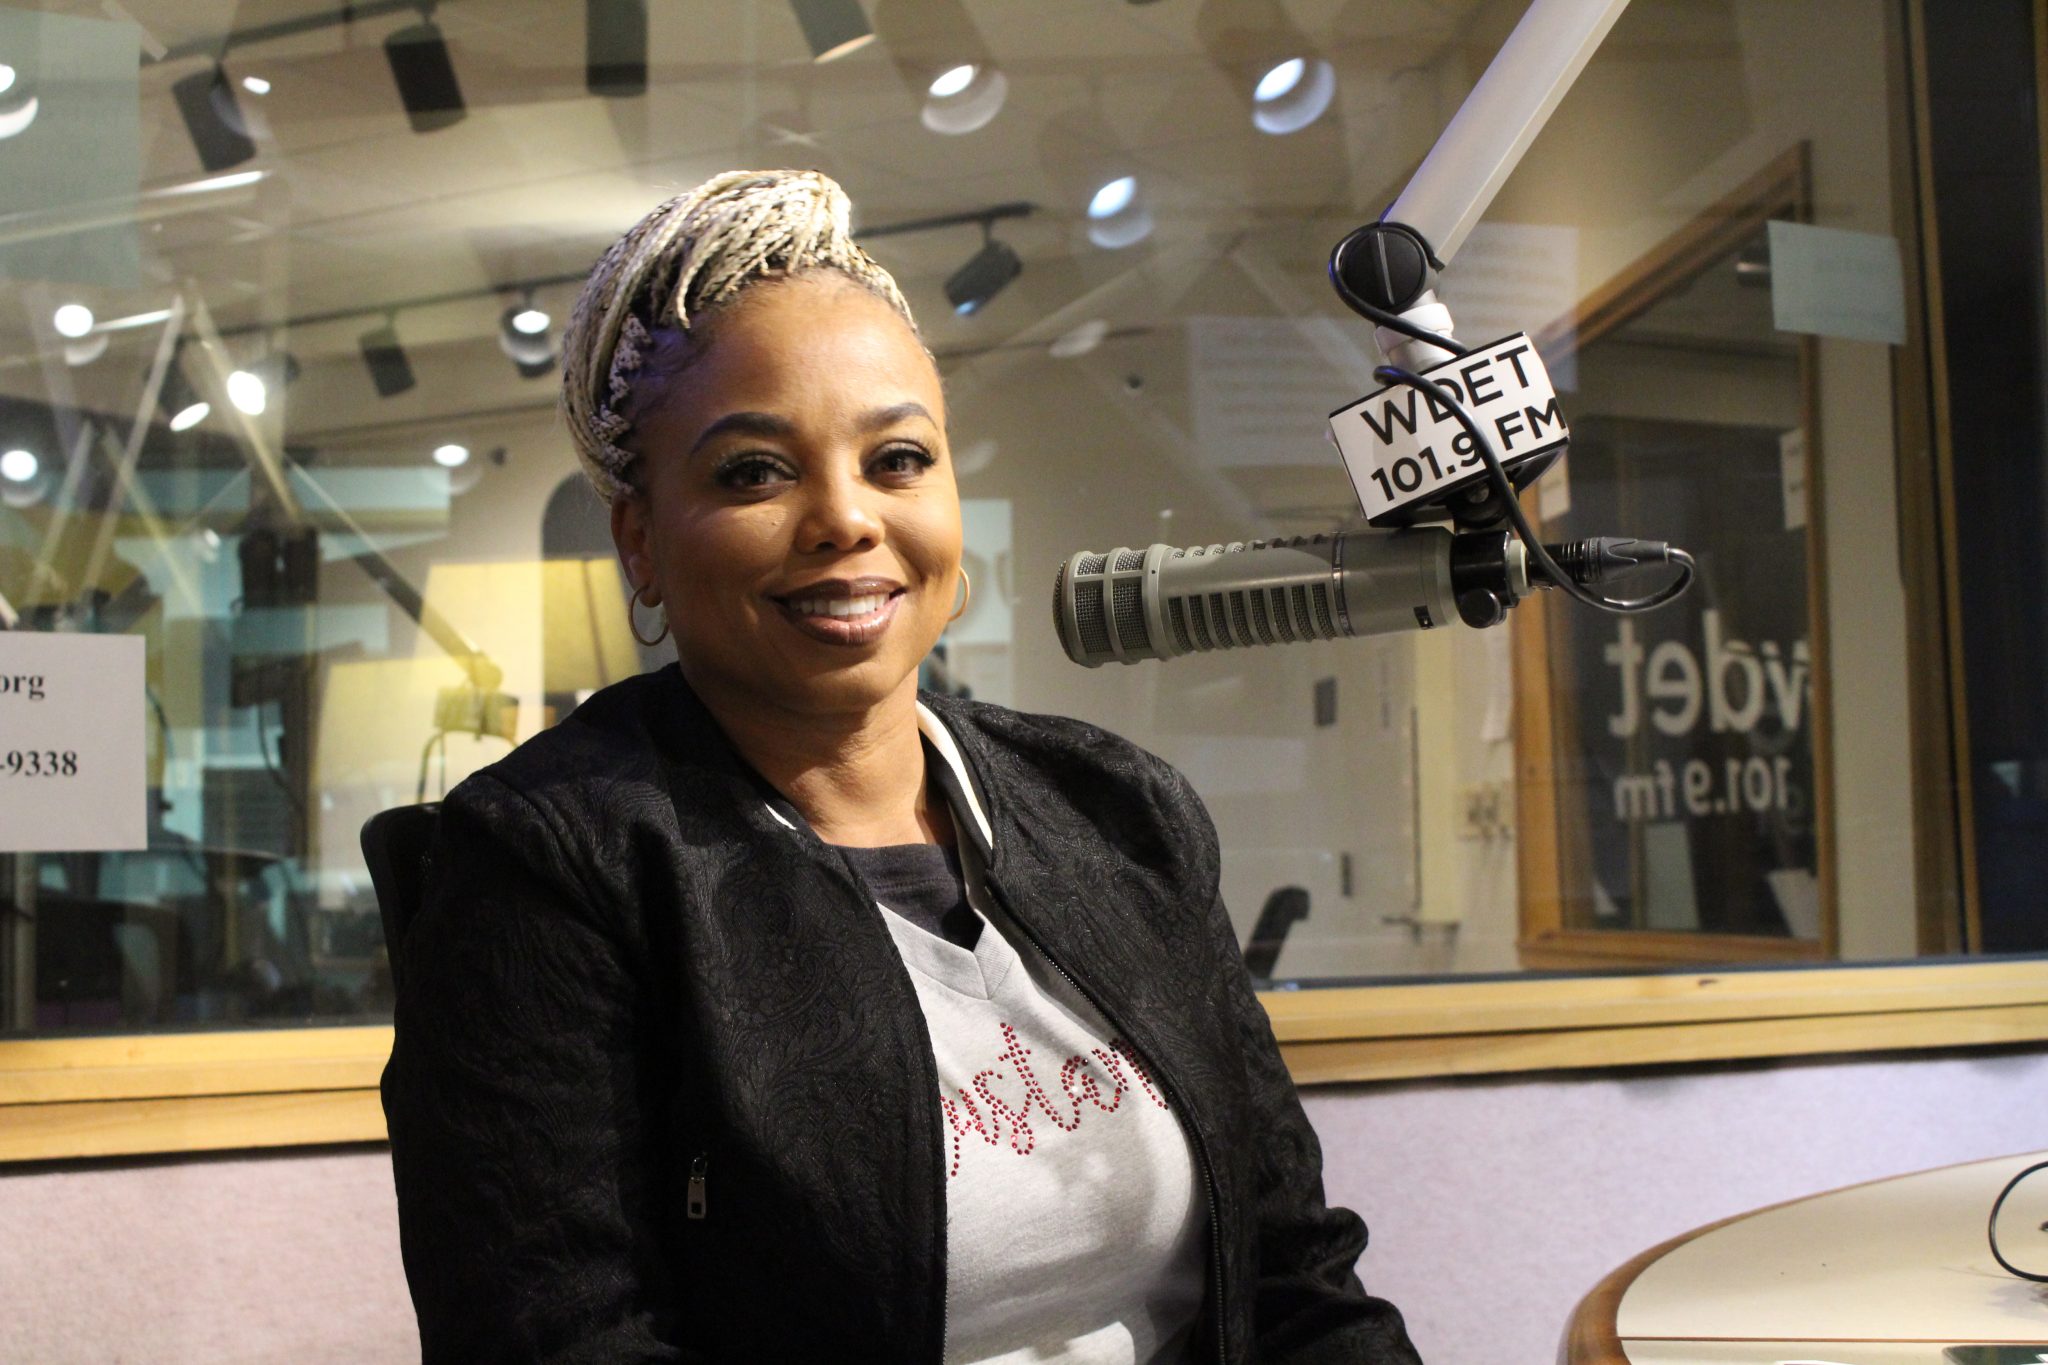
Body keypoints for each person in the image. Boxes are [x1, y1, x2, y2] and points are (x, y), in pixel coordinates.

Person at [381, 168, 1421, 1364]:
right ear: (641, 540)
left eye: (897, 460)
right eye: (752, 472)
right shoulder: (549, 862)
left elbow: (1295, 1275)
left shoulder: (1119, 809)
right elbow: (557, 1342)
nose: (844, 519)